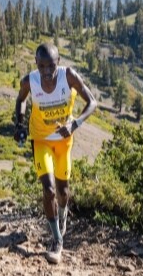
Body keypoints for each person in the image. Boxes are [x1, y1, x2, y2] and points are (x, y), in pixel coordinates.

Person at [14, 42, 97, 264]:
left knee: (63, 191)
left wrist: (75, 124)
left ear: (58, 62)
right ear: (36, 64)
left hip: (64, 142)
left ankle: (62, 215)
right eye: (42, 66)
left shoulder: (68, 76)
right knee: (49, 189)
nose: (47, 71)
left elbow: (92, 102)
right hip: (40, 140)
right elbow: (21, 100)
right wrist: (19, 124)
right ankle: (56, 240)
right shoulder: (29, 81)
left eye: (51, 65)